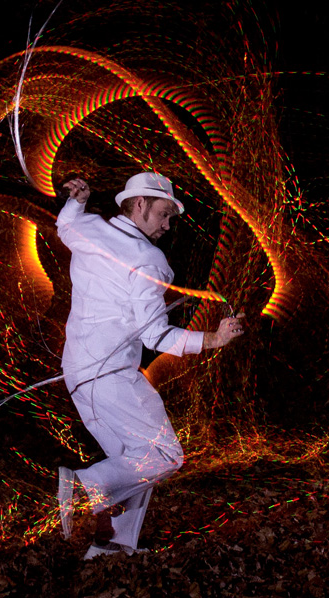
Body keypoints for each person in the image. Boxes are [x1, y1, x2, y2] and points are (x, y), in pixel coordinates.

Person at [55, 172, 245, 559]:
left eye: (171, 218)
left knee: (138, 463)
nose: (166, 225)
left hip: (76, 372)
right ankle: (81, 485)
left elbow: (66, 225)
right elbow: (156, 338)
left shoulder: (89, 229)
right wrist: (214, 339)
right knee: (165, 457)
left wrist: (78, 200)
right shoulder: (148, 260)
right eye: (163, 214)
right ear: (139, 203)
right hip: (111, 376)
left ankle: (111, 546)